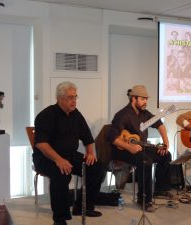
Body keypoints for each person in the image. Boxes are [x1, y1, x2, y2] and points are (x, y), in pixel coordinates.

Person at [33, 81, 104, 225]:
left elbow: (88, 137)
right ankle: (59, 219)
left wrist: (90, 153)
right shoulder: (46, 115)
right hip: (47, 158)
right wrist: (58, 159)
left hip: (70, 155)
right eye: (70, 97)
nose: (74, 101)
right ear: (59, 98)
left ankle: (82, 207)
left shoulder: (75, 114)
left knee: (97, 168)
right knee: (61, 174)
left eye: (75, 97)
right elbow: (41, 144)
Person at [107, 85, 172, 212]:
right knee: (145, 161)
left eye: (146, 99)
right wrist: (129, 147)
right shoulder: (122, 115)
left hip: (141, 146)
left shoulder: (145, 114)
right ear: (134, 99)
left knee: (166, 155)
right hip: (122, 150)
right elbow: (111, 137)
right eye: (143, 99)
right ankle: (143, 199)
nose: (145, 102)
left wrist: (165, 142)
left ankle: (160, 189)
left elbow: (160, 125)